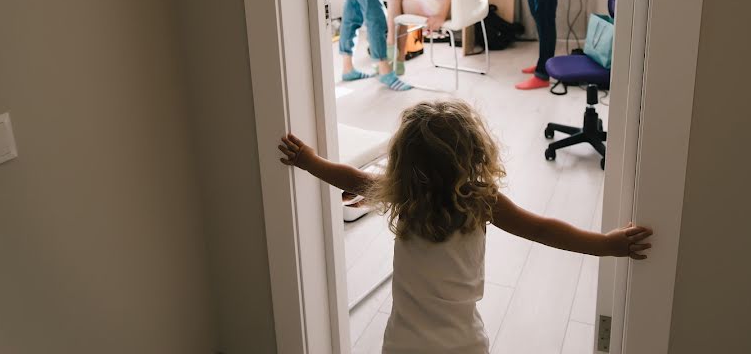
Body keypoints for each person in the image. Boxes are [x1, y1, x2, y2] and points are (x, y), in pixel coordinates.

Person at [278, 100, 653, 354]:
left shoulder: (405, 194)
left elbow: (352, 177)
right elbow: (545, 230)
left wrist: (309, 161)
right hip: (463, 344)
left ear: (404, 161)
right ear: (474, 153)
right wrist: (606, 244)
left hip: (403, 342)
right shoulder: (481, 201)